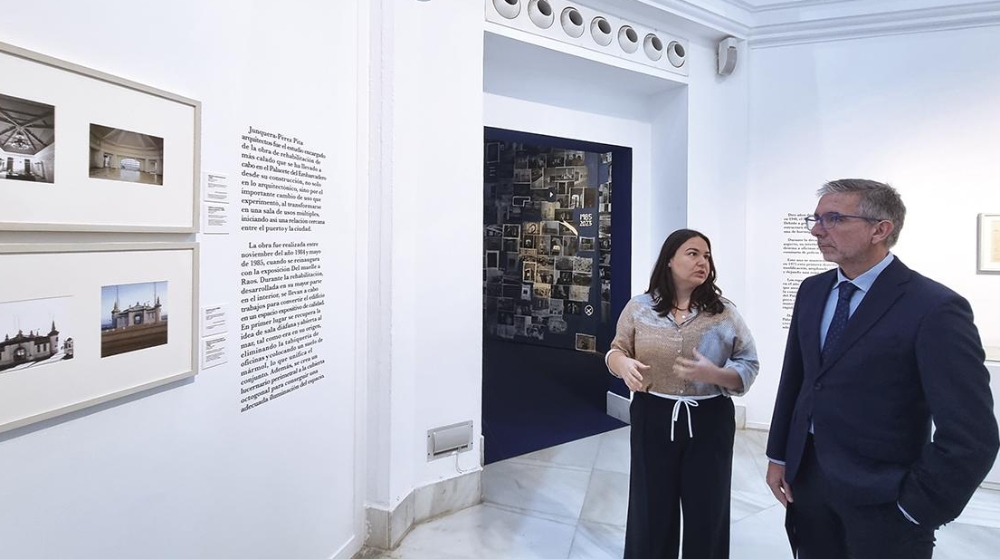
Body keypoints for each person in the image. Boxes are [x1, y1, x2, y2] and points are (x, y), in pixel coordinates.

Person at [765, 179, 999, 559]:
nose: (816, 229)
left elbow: (972, 434)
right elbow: (798, 380)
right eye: (817, 218)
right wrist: (779, 456)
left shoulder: (934, 307)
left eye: (833, 218)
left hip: (886, 497)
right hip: (808, 483)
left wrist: (918, 507)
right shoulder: (812, 290)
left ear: (880, 229)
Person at [606, 229, 759, 559]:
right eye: (693, 253)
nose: (702, 261)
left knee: (708, 509)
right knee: (651, 508)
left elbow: (749, 362)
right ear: (670, 260)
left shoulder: (724, 312)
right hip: (653, 414)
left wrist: (716, 375)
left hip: (710, 419)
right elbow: (616, 349)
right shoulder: (639, 308)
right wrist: (623, 366)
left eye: (707, 255)